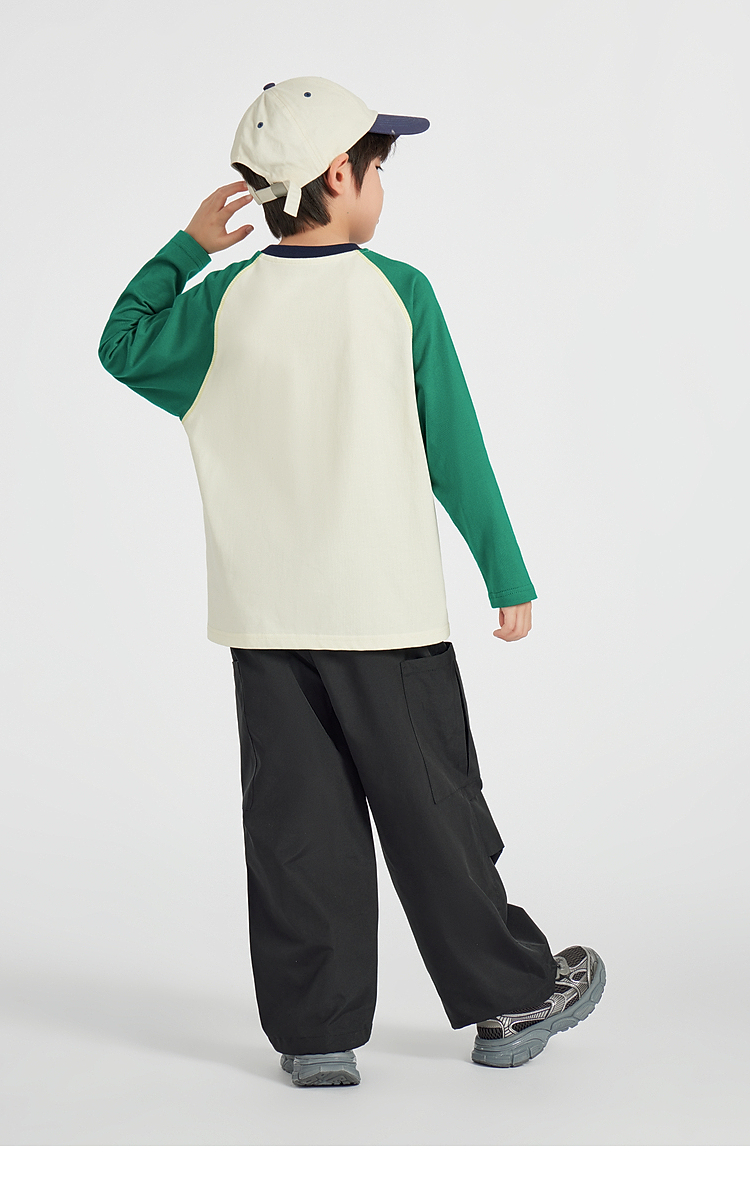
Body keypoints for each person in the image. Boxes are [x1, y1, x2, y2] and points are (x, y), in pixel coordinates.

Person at [98, 76, 605, 1089]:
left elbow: (121, 343)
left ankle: (316, 1032)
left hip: (266, 624)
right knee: (436, 814)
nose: (381, 186)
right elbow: (454, 447)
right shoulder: (398, 292)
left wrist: (190, 247)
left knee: (298, 828)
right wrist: (505, 570)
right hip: (387, 619)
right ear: (339, 175)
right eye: (378, 167)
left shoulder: (221, 304)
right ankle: (509, 999)